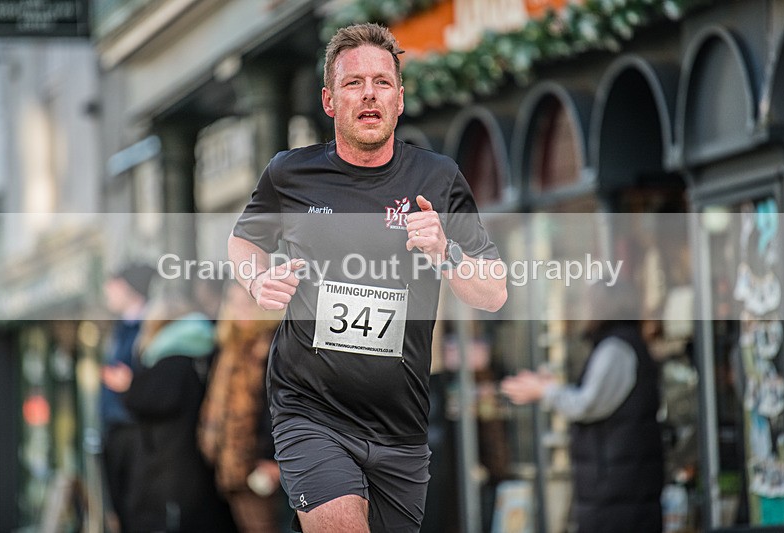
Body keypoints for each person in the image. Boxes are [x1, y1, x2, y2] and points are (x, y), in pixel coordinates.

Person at [228, 23, 507, 533]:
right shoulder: (290, 174)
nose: (369, 93)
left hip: (401, 425)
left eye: (382, 82)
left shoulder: (438, 178)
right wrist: (256, 279)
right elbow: (244, 241)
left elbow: (493, 292)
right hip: (310, 410)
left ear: (400, 99)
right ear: (329, 101)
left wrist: (446, 252)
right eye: (353, 83)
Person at [500, 283, 664, 533]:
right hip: (620, 489)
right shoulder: (621, 344)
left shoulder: (616, 348)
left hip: (617, 491)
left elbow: (587, 404)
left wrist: (545, 391)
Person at [101, 295, 237, 532]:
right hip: (200, 469)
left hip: (173, 474)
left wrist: (129, 387)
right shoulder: (206, 350)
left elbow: (150, 402)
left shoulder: (170, 362)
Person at [198, 281, 284, 533]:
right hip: (232, 465)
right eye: (233, 302)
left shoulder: (273, 345)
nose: (240, 309)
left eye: (247, 303)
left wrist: (271, 457)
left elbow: (277, 406)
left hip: (262, 466)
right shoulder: (229, 347)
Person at [99, 262, 155, 532]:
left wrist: (132, 384)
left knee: (140, 509)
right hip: (116, 429)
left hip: (138, 431)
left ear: (129, 288)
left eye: (114, 284)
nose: (107, 290)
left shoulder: (150, 326)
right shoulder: (120, 328)